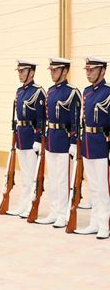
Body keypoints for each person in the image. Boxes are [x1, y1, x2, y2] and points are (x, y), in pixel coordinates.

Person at [35, 58, 81, 227]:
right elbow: (45, 118)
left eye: (55, 70)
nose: (52, 73)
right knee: (52, 179)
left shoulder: (72, 92)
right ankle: (55, 211)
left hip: (64, 140)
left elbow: (75, 119)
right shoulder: (50, 92)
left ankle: (64, 213)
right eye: (51, 70)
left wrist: (74, 142)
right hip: (52, 140)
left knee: (63, 180)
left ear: (64, 71)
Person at [74, 57, 110, 239]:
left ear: (102, 71)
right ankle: (94, 223)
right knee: (94, 187)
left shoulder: (108, 92)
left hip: (102, 145)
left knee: (103, 188)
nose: (88, 73)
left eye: (92, 70)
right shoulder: (86, 92)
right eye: (87, 70)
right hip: (88, 143)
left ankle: (105, 225)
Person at [6, 60, 46, 218]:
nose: (20, 74)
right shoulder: (20, 91)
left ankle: (31, 205)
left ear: (32, 72)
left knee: (31, 175)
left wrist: (37, 138)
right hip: (21, 135)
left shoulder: (38, 92)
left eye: (23, 71)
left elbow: (41, 118)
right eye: (19, 71)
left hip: (31, 137)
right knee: (24, 175)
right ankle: (23, 204)